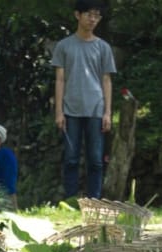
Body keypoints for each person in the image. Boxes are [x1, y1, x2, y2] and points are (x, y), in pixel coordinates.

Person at [51, 0, 116, 200]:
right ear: (77, 15)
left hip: (96, 110)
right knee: (71, 159)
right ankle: (70, 200)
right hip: (71, 110)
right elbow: (60, 79)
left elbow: (107, 80)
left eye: (97, 15)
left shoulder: (103, 47)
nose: (93, 19)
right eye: (89, 14)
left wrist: (107, 112)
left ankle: (94, 200)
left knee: (96, 160)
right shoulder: (63, 46)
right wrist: (59, 112)